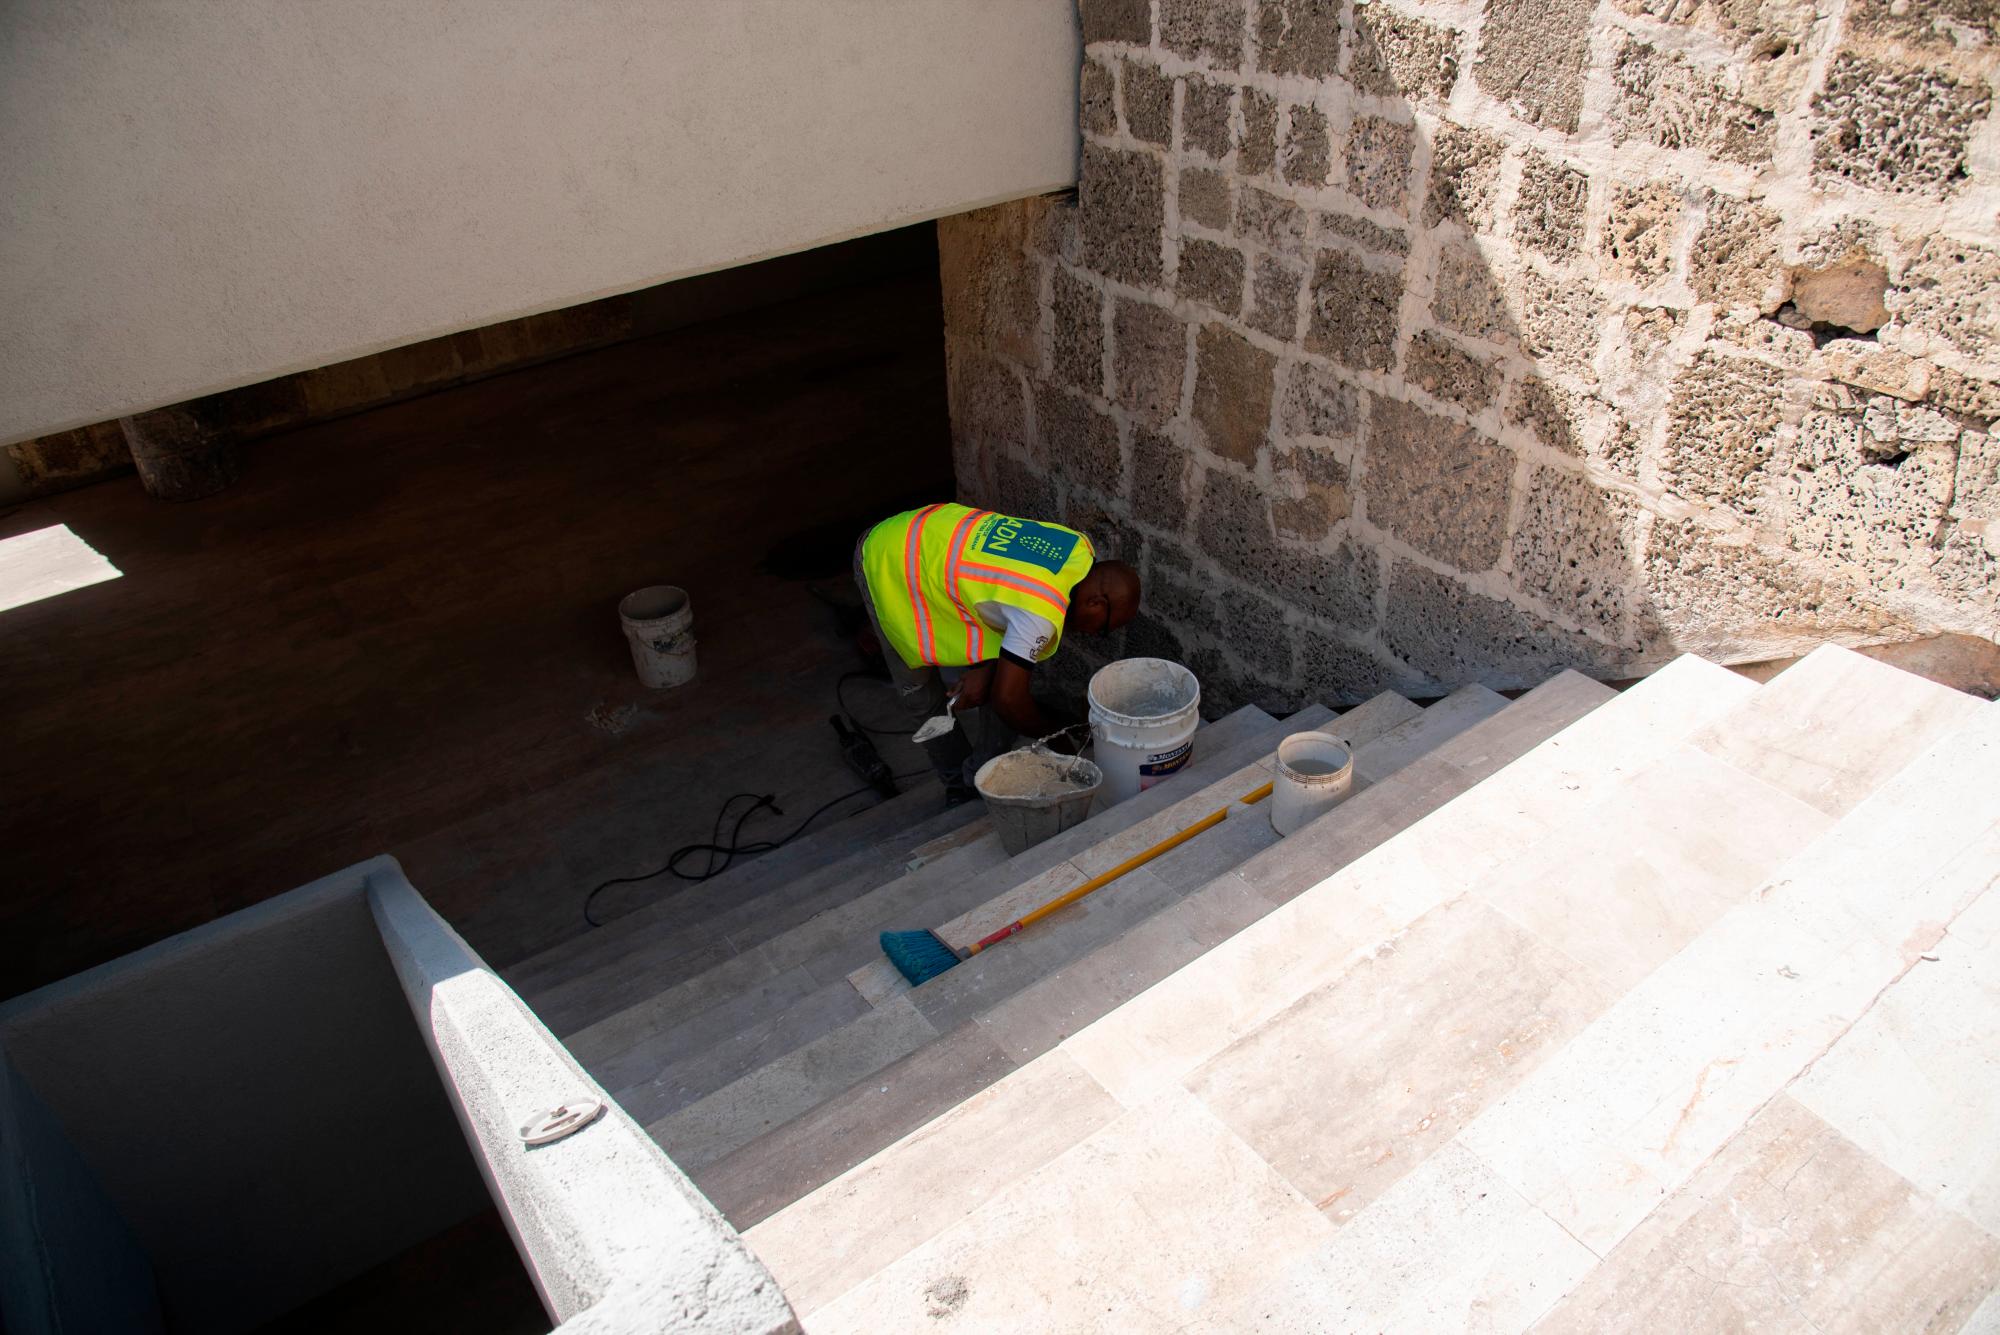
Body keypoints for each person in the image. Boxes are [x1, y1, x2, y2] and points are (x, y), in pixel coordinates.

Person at [854, 503, 1142, 803]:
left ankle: (979, 768)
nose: (1096, 635)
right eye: (1104, 629)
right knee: (921, 693)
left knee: (1002, 675)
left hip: (930, 532)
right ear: (1096, 603)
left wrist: (988, 670)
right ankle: (959, 786)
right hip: (886, 560)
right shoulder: (1040, 613)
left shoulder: (1077, 546)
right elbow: (1008, 702)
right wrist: (1062, 741)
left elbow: (1005, 591)